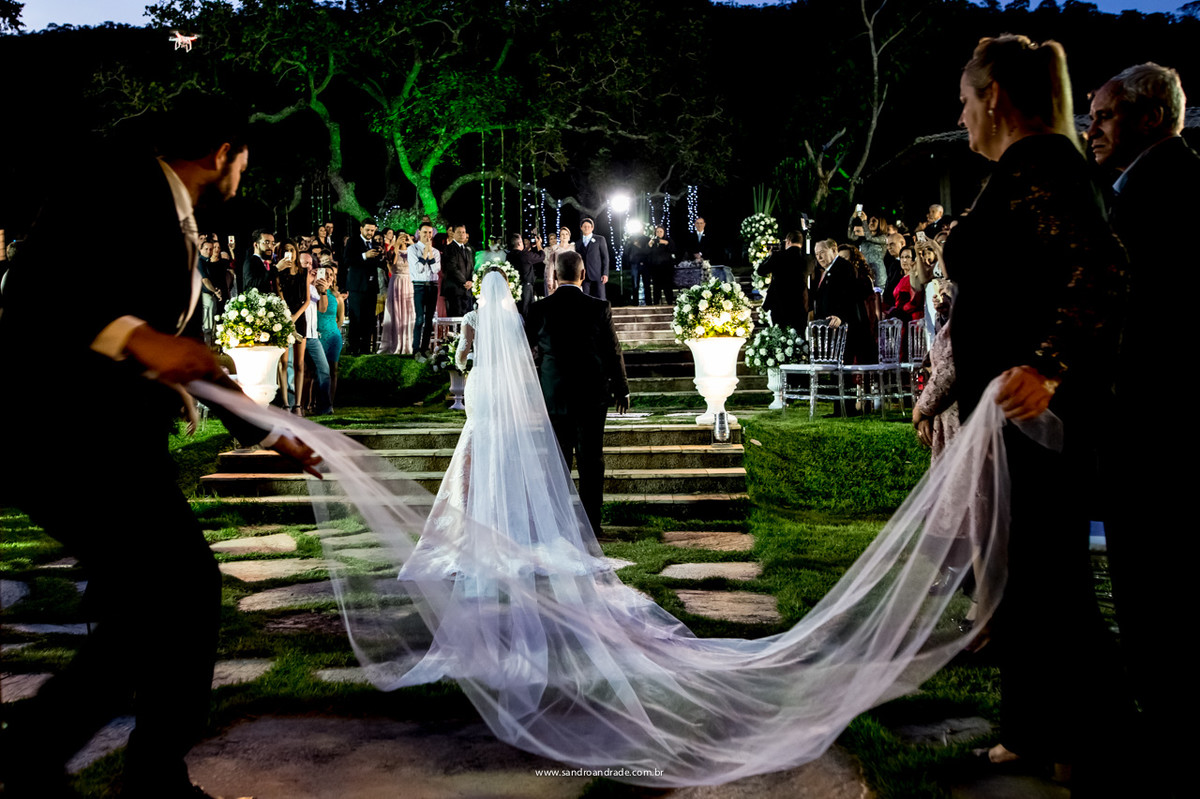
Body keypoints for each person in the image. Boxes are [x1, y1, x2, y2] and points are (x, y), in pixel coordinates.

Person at [0, 112, 319, 799]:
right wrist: (138, 339)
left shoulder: (180, 221)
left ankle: (97, 765)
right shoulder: (117, 184)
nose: (244, 175)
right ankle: (74, 759)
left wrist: (271, 431)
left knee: (150, 607)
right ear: (222, 151)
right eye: (244, 161)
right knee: (182, 590)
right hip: (60, 436)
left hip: (117, 445)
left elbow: (193, 359)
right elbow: (30, 290)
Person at [945, 34, 1131, 789]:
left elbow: (1103, 269)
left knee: (1052, 578)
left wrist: (1048, 366)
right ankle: (1030, 730)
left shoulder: (1046, 165)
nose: (961, 117)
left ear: (994, 97)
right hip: (1009, 422)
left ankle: (1092, 739)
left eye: (965, 101)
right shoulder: (1020, 170)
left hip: (1040, 420)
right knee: (1022, 575)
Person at [1088, 62, 1199, 798]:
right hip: (1155, 427)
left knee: (1157, 597)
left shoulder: (1161, 194)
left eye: (1105, 115)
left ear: (1151, 116)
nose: (1092, 130)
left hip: (1156, 431)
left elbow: (1136, 322)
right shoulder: (1152, 186)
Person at [525, 250, 628, 536]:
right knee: (591, 459)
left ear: (555, 276)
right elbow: (613, 350)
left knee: (556, 460)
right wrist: (622, 389)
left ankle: (556, 525)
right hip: (592, 393)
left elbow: (525, 351)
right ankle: (591, 526)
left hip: (554, 393)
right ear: (583, 275)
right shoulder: (599, 306)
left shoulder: (539, 309)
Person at [276, 240, 312, 413]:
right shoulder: (278, 273)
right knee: (283, 362)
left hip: (299, 317)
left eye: (292, 250)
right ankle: (285, 403)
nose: (289, 253)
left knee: (299, 363)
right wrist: (287, 317)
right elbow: (280, 296)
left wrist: (295, 317)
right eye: (286, 250)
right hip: (283, 317)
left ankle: (297, 404)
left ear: (296, 252)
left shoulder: (303, 273)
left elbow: (307, 300)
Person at [757, 230, 810, 331]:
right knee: (799, 333)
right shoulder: (808, 259)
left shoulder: (778, 256)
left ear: (788, 241)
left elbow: (761, 271)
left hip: (779, 303)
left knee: (780, 333)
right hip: (800, 304)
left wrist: (770, 256)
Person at [343, 218, 380, 355]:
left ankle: (366, 349)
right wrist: (365, 255)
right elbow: (347, 260)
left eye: (372, 230)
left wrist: (380, 256)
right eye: (368, 230)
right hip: (357, 287)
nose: (370, 233)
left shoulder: (374, 244)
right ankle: (354, 348)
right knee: (356, 318)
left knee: (369, 319)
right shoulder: (352, 242)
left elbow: (376, 264)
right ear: (361, 229)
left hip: (371, 287)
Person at [379, 230, 415, 355]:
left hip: (409, 282)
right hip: (396, 282)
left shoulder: (412, 251)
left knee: (409, 312)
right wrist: (396, 245)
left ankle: (408, 343)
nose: (403, 239)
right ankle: (395, 342)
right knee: (395, 312)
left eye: (405, 237)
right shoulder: (392, 251)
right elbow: (392, 263)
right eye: (401, 237)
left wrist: (412, 243)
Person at [315, 260, 345, 406]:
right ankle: (314, 401)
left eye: (331, 274)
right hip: (317, 335)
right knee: (317, 370)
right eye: (325, 273)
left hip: (333, 336)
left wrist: (333, 330)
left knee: (333, 370)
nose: (328, 277)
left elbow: (340, 319)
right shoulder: (314, 293)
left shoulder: (337, 297)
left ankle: (329, 402)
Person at [408, 222, 441, 355]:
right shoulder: (412, 249)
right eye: (425, 232)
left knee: (429, 320)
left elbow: (436, 269)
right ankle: (416, 349)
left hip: (433, 286)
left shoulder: (436, 251)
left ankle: (425, 348)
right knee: (419, 319)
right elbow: (419, 269)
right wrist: (425, 253)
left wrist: (430, 252)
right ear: (419, 233)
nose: (427, 235)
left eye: (430, 233)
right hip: (419, 285)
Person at [440, 223, 474, 317]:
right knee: (456, 317)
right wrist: (464, 282)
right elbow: (452, 268)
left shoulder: (467, 250)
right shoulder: (449, 248)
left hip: (467, 290)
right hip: (454, 289)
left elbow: (471, 268)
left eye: (463, 232)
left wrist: (471, 281)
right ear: (453, 234)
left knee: (468, 317)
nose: (462, 235)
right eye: (459, 232)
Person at [574, 217, 609, 300]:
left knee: (600, 298)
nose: (586, 228)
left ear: (592, 228)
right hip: (584, 276)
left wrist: (605, 273)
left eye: (588, 226)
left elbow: (605, 257)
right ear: (581, 228)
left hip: (598, 275)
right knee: (585, 299)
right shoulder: (578, 243)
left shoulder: (600, 239)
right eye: (584, 226)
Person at [647, 225, 676, 305]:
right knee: (656, 287)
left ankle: (669, 302)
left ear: (664, 232)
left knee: (668, 286)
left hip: (666, 268)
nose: (659, 233)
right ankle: (656, 303)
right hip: (656, 268)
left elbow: (673, 250)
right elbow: (647, 253)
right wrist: (649, 245)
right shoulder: (653, 241)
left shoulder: (668, 240)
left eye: (661, 232)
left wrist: (666, 243)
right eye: (657, 232)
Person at [241, 228, 276, 294]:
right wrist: (277, 269)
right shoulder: (250, 261)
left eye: (273, 243)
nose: (270, 246)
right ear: (256, 245)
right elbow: (250, 284)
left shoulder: (269, 263)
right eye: (266, 242)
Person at [544, 225, 574, 296]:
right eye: (562, 234)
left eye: (566, 234)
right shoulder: (555, 248)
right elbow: (551, 265)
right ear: (560, 237)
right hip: (558, 278)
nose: (564, 236)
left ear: (569, 236)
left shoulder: (573, 248)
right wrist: (550, 279)